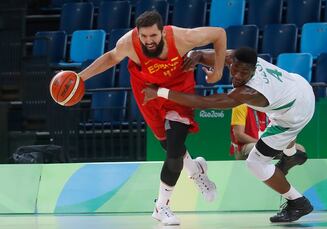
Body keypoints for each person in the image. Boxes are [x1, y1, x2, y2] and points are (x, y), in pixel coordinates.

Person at [77, 11, 226, 225]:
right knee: (167, 146)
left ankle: (161, 206)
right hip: (147, 93)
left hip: (177, 91)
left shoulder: (182, 38)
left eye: (153, 36)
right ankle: (196, 169)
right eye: (144, 36)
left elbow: (219, 34)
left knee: (174, 151)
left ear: (163, 33)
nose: (148, 41)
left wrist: (219, 70)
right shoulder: (129, 43)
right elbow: (111, 57)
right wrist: (80, 77)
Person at [143, 47, 315, 223]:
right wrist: (194, 56)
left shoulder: (250, 92)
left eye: (245, 73)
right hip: (298, 86)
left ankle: (298, 202)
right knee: (277, 115)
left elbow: (204, 103)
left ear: (254, 71)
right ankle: (292, 155)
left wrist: (159, 91)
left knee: (256, 163)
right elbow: (201, 55)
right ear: (231, 62)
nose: (239, 76)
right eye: (236, 70)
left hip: (295, 113)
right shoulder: (235, 57)